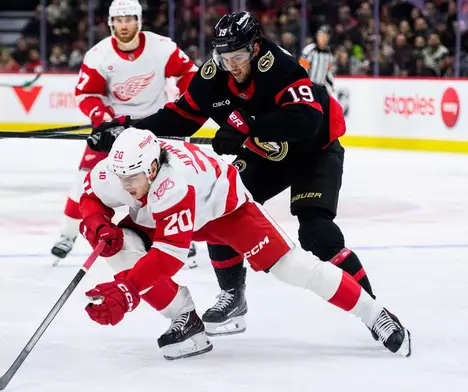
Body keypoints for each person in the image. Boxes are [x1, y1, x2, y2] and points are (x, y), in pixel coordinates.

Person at [86, 12, 391, 340]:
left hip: (314, 152)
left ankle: (372, 309)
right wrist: (127, 128)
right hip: (265, 153)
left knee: (317, 234)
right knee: (221, 202)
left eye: (239, 56)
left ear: (256, 48)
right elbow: (181, 118)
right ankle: (234, 296)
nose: (231, 65)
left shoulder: (281, 68)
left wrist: (246, 129)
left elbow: (307, 120)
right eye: (224, 57)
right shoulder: (214, 73)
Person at [81, 127, 411, 360]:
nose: (125, 185)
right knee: (118, 246)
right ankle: (186, 321)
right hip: (168, 214)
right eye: (120, 178)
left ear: (153, 168)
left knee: (294, 268)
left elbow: (169, 255)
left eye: (132, 179)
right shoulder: (122, 171)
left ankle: (374, 313)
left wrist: (126, 291)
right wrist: (97, 223)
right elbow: (89, 197)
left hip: (227, 211)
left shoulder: (173, 184)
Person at [50, 0, 198, 265]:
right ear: (110, 23)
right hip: (116, 128)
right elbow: (86, 94)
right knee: (85, 179)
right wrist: (103, 119)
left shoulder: (161, 47)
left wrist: (184, 106)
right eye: (118, 20)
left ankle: (186, 238)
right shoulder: (99, 54)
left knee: (177, 179)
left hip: (158, 126)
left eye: (128, 19)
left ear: (139, 21)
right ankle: (67, 234)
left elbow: (189, 73)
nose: (123, 25)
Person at [299, 25, 335, 95]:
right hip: (308, 87)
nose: (323, 38)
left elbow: (328, 72)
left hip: (321, 88)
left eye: (325, 36)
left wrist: (331, 85)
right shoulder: (309, 50)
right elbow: (302, 69)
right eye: (320, 35)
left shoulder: (329, 54)